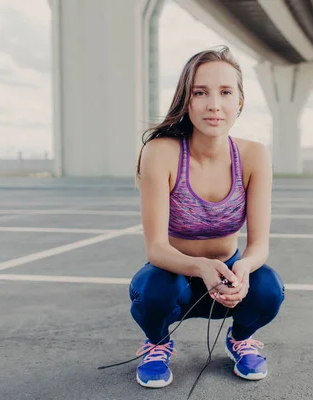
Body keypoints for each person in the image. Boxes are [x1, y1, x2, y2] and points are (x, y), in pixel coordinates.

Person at [129, 45, 285, 389]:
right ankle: (156, 343)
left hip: (228, 273)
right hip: (174, 277)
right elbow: (155, 247)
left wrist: (242, 270)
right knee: (153, 290)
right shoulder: (160, 152)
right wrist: (200, 267)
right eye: (201, 92)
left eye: (226, 92)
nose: (214, 104)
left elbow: (259, 245)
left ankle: (240, 338)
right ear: (187, 100)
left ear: (239, 101)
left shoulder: (255, 155)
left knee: (269, 288)